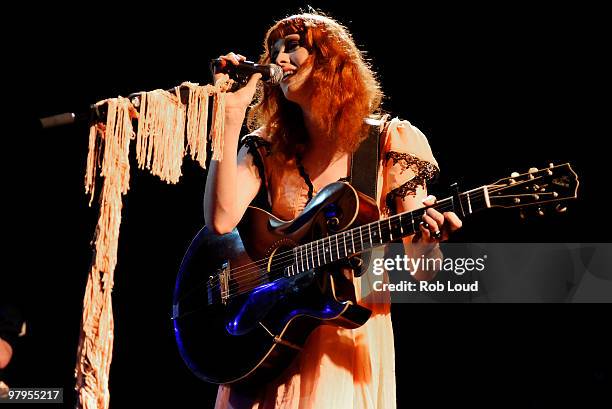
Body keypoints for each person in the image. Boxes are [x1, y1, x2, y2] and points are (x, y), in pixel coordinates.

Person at [204, 12, 462, 409]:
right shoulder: (269, 145)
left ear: (330, 59)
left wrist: (429, 241)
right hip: (270, 337)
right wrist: (231, 112)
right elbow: (220, 220)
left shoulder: (390, 140)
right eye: (273, 50)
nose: (279, 57)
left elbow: (422, 268)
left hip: (342, 343)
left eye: (292, 46)